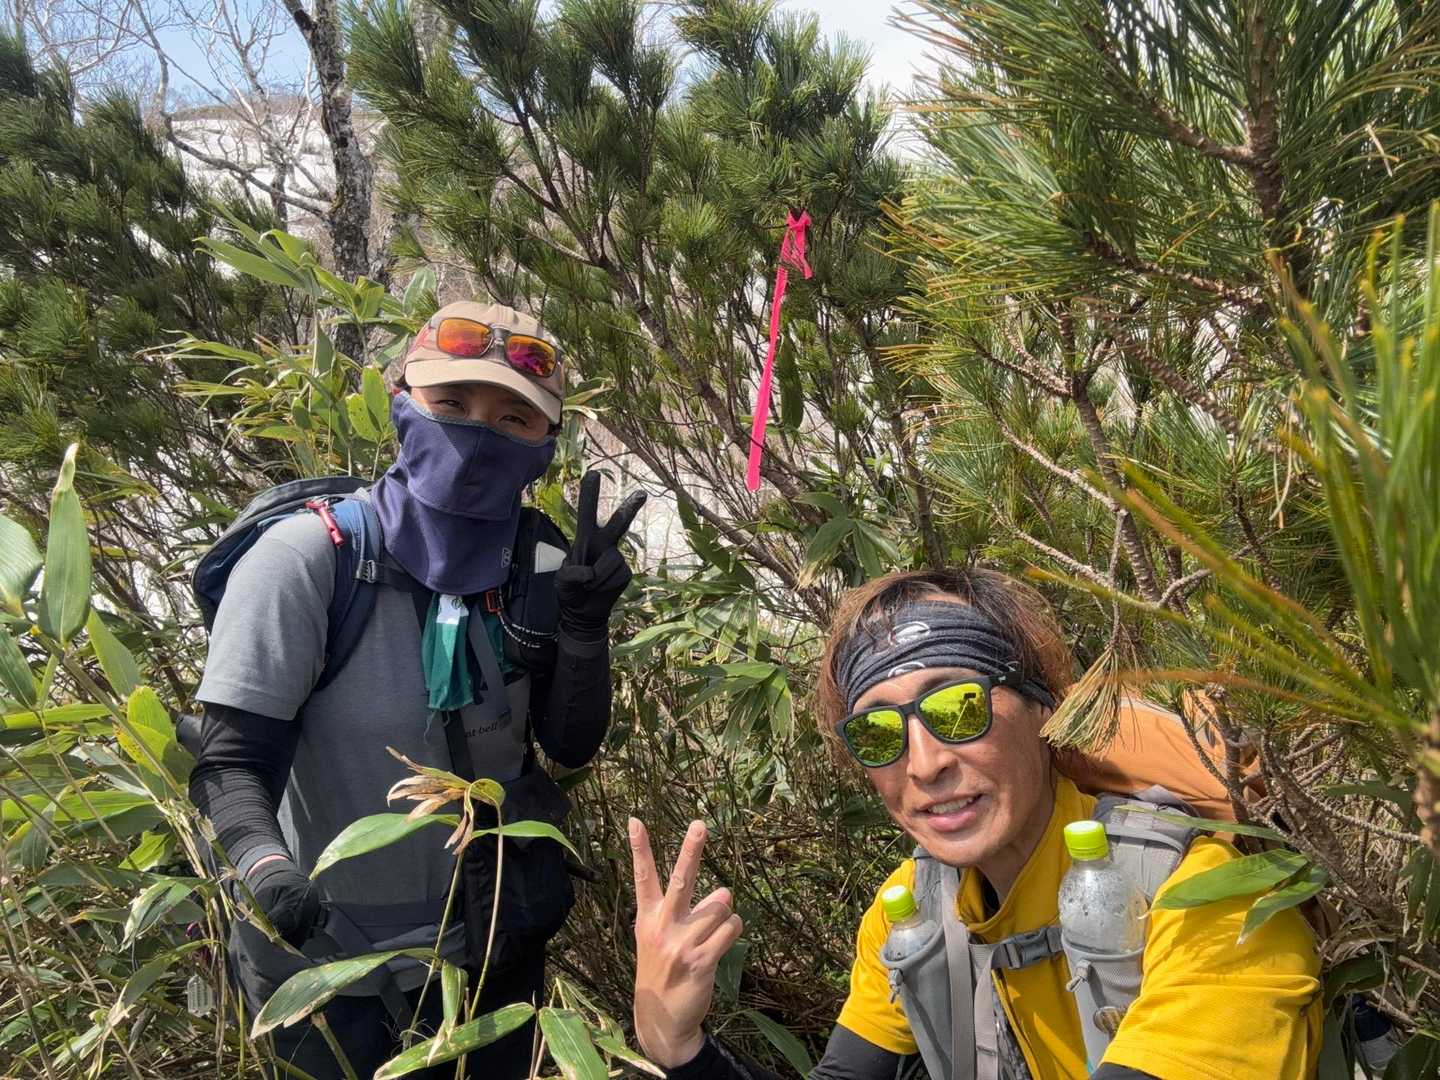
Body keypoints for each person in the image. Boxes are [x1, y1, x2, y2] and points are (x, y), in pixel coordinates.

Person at [628, 568, 1322, 1080]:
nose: (925, 763)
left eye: (959, 708)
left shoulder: (1207, 896)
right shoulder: (912, 913)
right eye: (878, 733)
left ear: (1042, 708)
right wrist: (682, 1050)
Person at [189, 301, 644, 1079]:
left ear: (547, 444)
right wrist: (268, 871)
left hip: (489, 958)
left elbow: (569, 744)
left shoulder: (540, 566)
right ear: (402, 401)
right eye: (452, 404)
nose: (478, 435)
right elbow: (231, 761)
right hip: (324, 971)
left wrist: (584, 626)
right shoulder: (308, 561)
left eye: (513, 418)